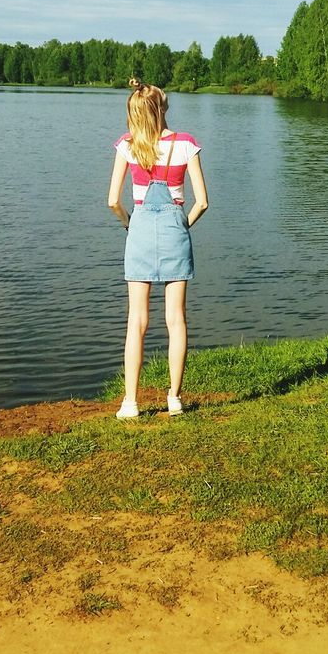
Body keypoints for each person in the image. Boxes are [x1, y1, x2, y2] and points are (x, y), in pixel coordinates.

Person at [108, 78, 208, 419]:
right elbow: (202, 203)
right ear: (162, 108)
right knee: (176, 320)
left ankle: (130, 403)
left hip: (138, 233)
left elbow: (112, 202)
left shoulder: (127, 145)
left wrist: (128, 224)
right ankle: (174, 398)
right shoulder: (185, 144)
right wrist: (182, 226)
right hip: (174, 232)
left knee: (136, 321)